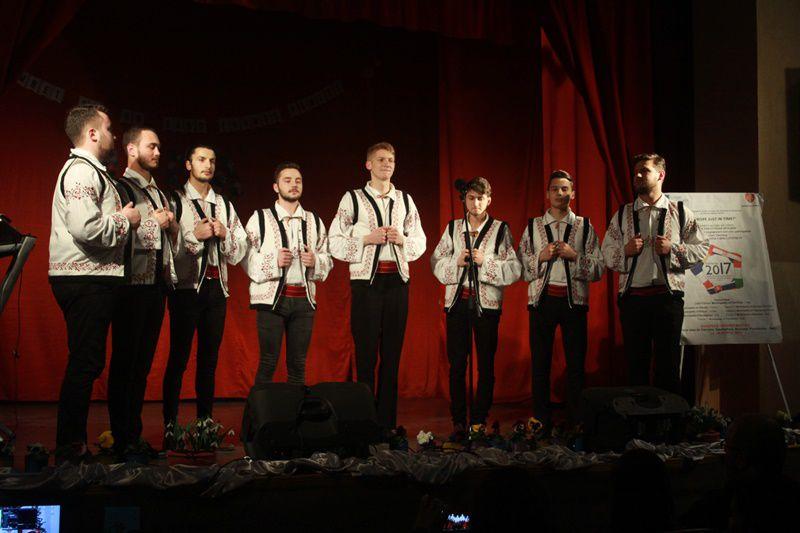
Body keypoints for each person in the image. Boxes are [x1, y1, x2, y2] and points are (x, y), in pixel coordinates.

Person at [49, 105, 140, 463]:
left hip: (90, 277)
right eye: (108, 128)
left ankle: (72, 444)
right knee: (85, 363)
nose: (113, 135)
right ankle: (70, 447)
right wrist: (125, 219)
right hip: (84, 278)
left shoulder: (90, 172)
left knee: (87, 362)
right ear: (91, 134)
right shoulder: (81, 172)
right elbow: (85, 228)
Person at [328, 142, 426, 431]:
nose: (387, 164)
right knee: (366, 355)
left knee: (392, 356)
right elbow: (334, 241)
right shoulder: (353, 199)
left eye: (391, 160)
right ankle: (364, 423)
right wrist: (365, 239)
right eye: (381, 159)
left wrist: (402, 240)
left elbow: (420, 240)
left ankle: (386, 424)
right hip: (366, 285)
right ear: (368, 165)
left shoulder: (404, 200)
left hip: (397, 282)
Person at [601, 153, 709, 393]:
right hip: (633, 300)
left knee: (668, 367)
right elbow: (605, 253)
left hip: (667, 300)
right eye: (636, 172)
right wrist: (625, 250)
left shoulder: (680, 212)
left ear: (661, 175)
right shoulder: (623, 214)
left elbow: (703, 249)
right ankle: (639, 416)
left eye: (645, 170)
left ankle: (667, 416)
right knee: (636, 367)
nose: (638, 175)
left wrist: (673, 249)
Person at [162, 144, 247, 445]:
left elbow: (239, 250)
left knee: (209, 361)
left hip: (216, 289)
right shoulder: (176, 200)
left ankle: (204, 426)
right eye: (201, 159)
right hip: (186, 290)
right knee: (179, 358)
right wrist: (193, 237)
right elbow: (168, 247)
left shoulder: (223, 204)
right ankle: (170, 428)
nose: (207, 165)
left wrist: (225, 234)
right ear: (188, 164)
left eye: (212, 160)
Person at [107, 126, 178, 458]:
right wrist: (155, 224)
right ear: (132, 149)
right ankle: (121, 437)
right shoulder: (119, 187)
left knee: (142, 365)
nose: (158, 152)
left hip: (155, 286)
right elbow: (116, 233)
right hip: (130, 286)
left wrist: (172, 227)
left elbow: (168, 239)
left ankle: (132, 434)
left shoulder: (158, 193)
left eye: (159, 147)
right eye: (152, 146)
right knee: (126, 361)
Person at [430, 177, 521, 434]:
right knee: (457, 364)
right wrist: (456, 262)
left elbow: (514, 269)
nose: (476, 203)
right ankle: (458, 420)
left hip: (487, 305)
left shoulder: (500, 229)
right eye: (471, 198)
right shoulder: (453, 228)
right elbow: (435, 262)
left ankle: (479, 419)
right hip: (457, 303)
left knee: (485, 364)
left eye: (481, 198)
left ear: (489, 200)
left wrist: (485, 263)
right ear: (464, 200)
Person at [517, 170, 604, 430]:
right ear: (547, 193)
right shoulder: (533, 226)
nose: (559, 193)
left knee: (576, 364)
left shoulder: (584, 226)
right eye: (555, 188)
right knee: (540, 363)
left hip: (573, 302)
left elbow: (599, 268)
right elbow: (519, 266)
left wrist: (575, 255)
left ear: (572, 193)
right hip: (542, 301)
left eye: (565, 189)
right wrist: (541, 257)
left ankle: (576, 421)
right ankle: (541, 420)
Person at [243, 162, 332, 385]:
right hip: (272, 301)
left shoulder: (313, 220)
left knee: (298, 364)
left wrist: (316, 261)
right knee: (268, 362)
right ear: (276, 187)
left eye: (298, 181)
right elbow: (245, 256)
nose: (294, 184)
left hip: (303, 300)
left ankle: (295, 408)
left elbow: (327, 257)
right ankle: (259, 408)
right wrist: (273, 261)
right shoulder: (260, 218)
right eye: (288, 180)